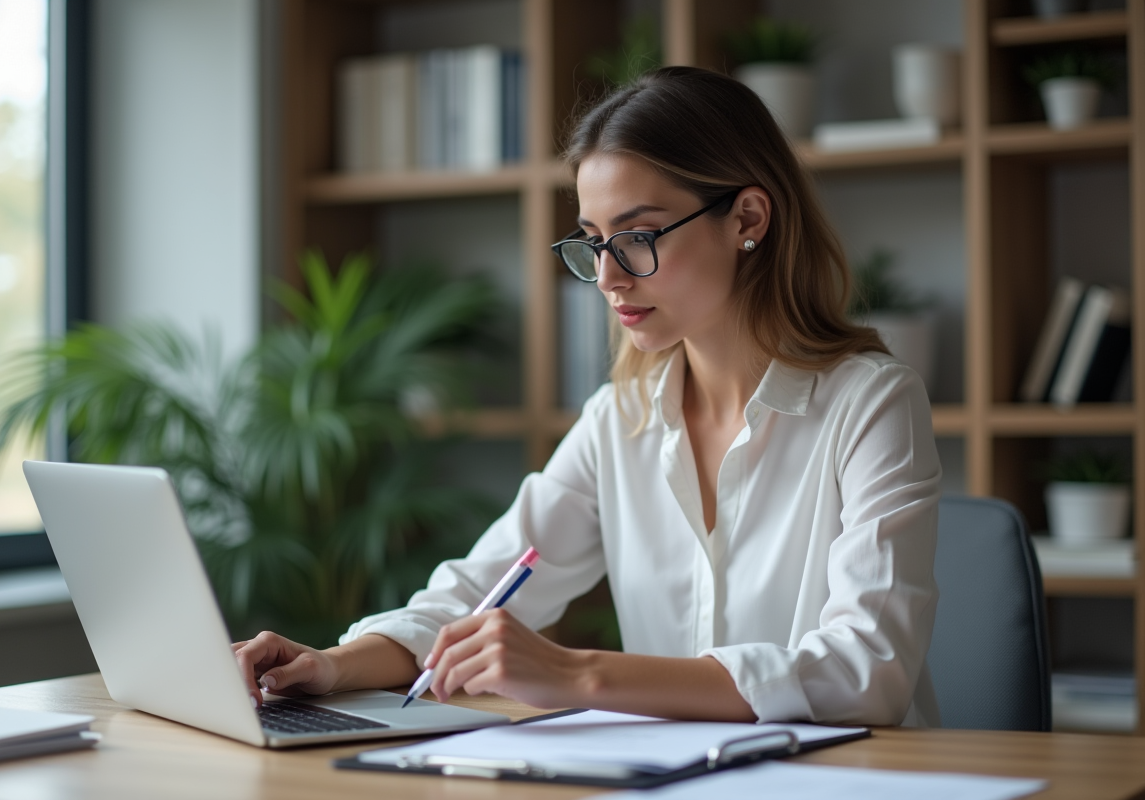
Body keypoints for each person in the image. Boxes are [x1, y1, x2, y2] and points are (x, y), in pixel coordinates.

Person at [233, 66, 942, 726]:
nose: (608, 278)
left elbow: (866, 672)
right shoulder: (619, 419)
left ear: (748, 219)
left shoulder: (871, 403)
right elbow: (475, 595)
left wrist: (579, 675)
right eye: (594, 242)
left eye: (637, 237)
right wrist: (331, 665)